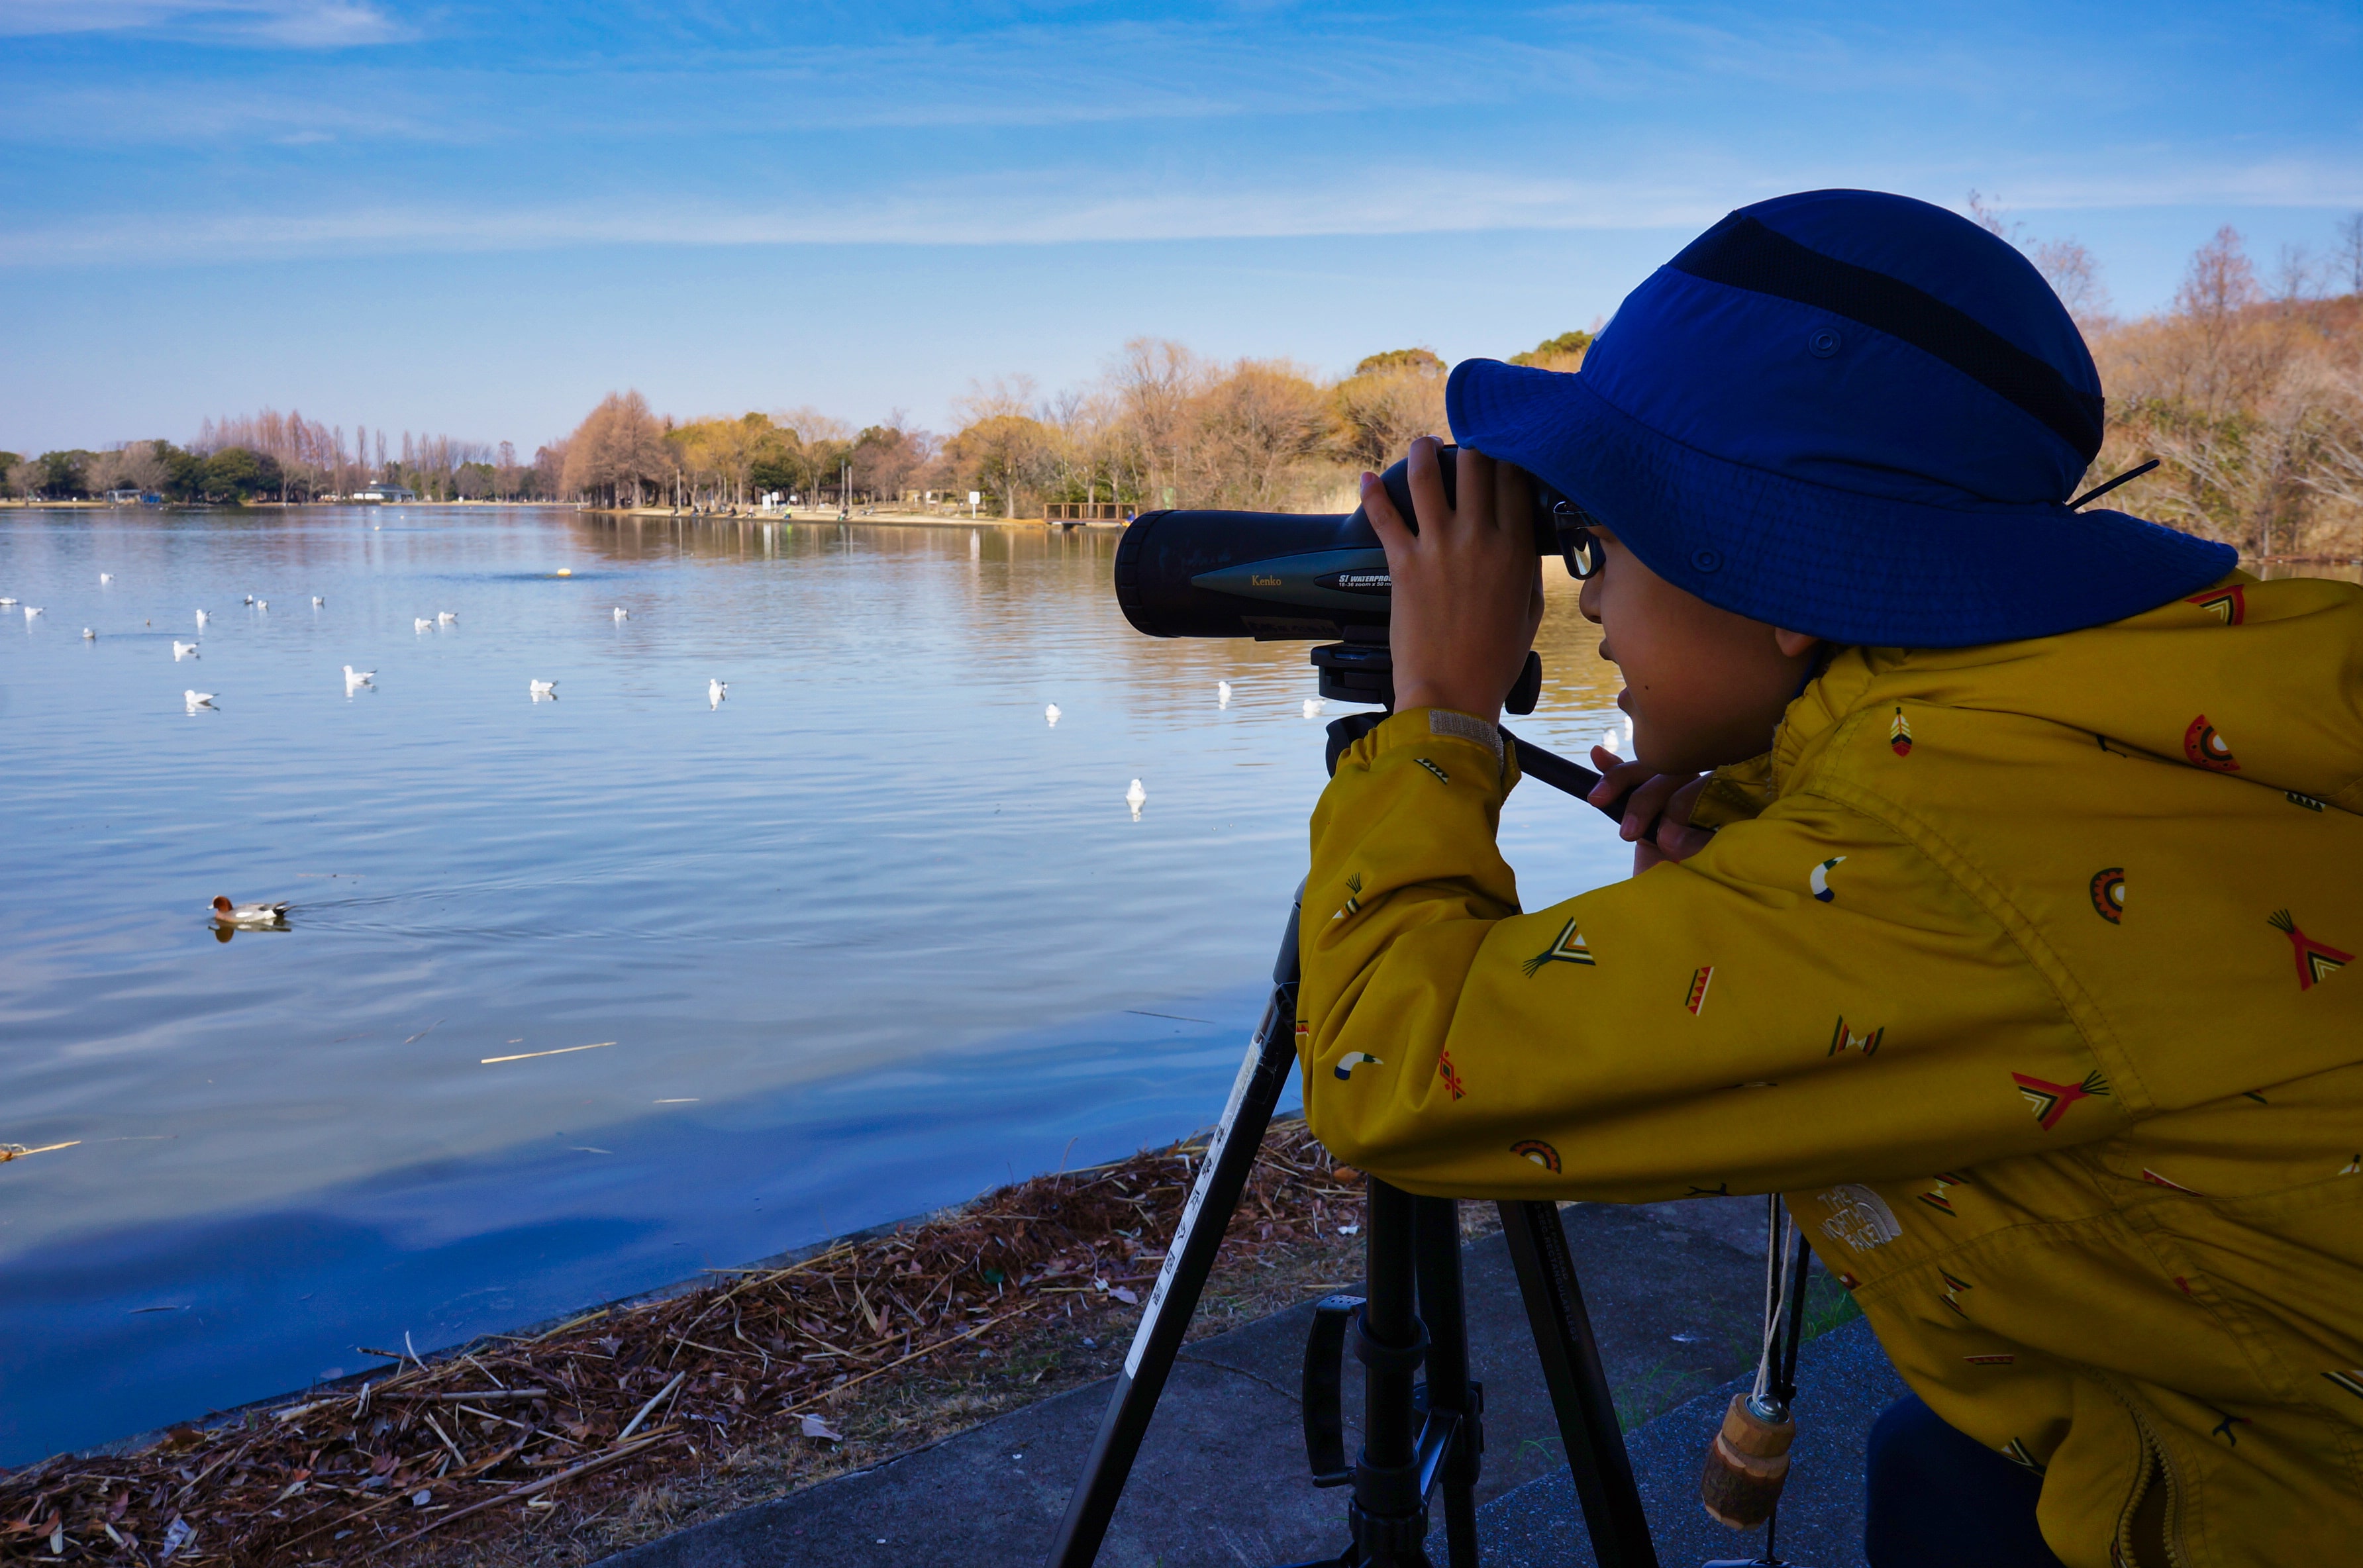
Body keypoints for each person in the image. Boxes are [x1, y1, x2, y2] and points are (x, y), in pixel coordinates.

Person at [1295, 189, 2363, 1568]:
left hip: (2283, 1507)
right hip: (2193, 1412)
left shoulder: (1922, 856)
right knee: (1922, 1450)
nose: (1589, 604)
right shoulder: (2107, 713)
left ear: (1778, 577)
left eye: (1597, 547)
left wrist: (1437, 716)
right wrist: (1761, 834)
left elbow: (1391, 1071)